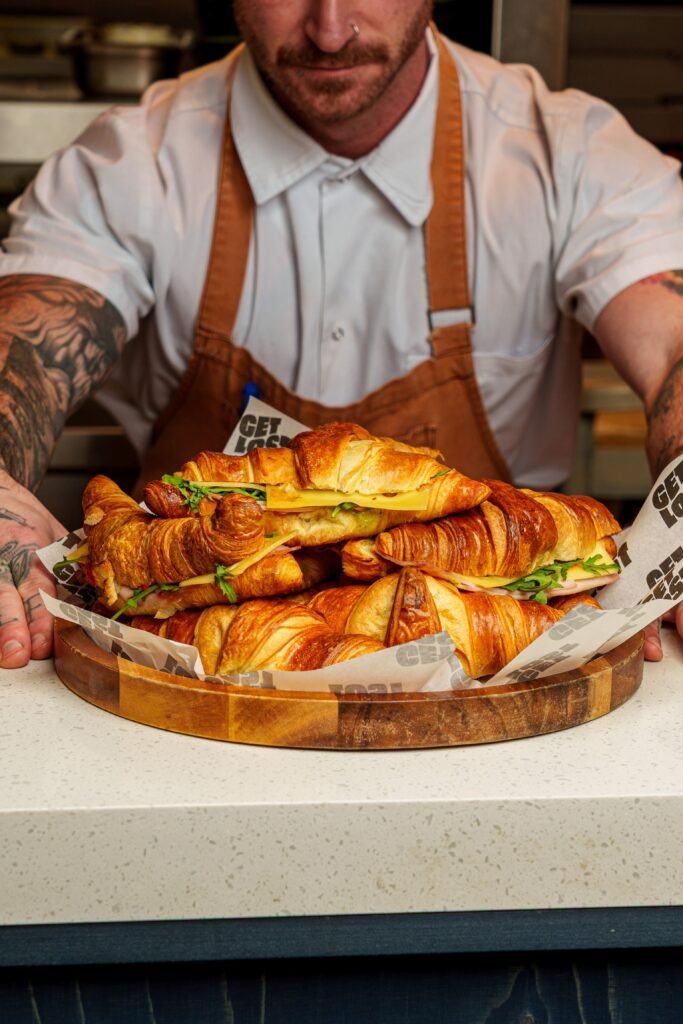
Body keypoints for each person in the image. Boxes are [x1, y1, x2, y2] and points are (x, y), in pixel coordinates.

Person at [0, 0, 681, 669]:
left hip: (506, 671)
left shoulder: (568, 154)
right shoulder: (129, 164)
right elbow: (22, 349)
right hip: (175, 670)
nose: (329, 30)